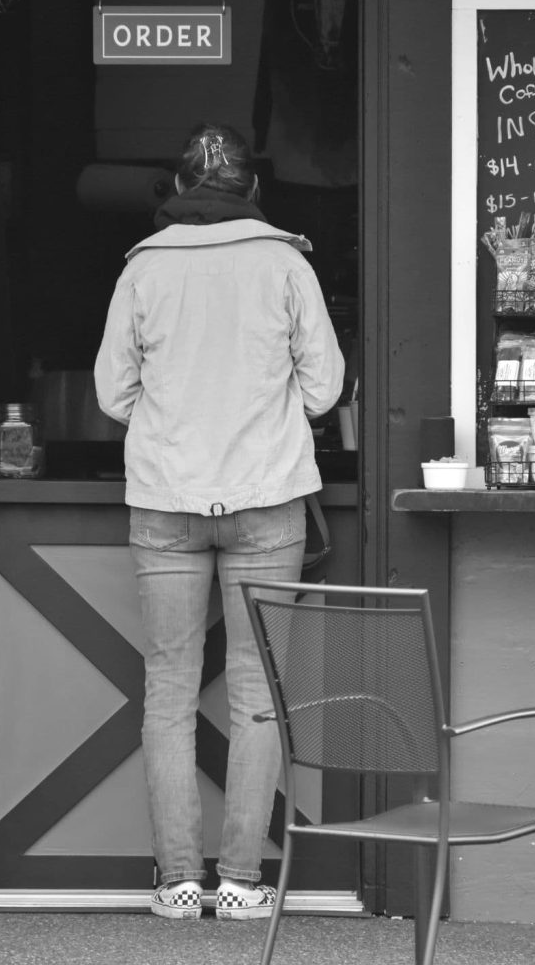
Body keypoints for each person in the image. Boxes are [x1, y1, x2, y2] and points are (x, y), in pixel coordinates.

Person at [94, 123, 345, 921]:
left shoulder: (142, 270)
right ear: (252, 192)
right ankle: (239, 883)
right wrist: (262, 418)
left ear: (177, 192)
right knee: (258, 694)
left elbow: (111, 393)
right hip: (266, 499)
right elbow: (324, 388)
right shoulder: (284, 262)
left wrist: (171, 425)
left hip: (166, 499)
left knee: (167, 691)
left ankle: (175, 883)